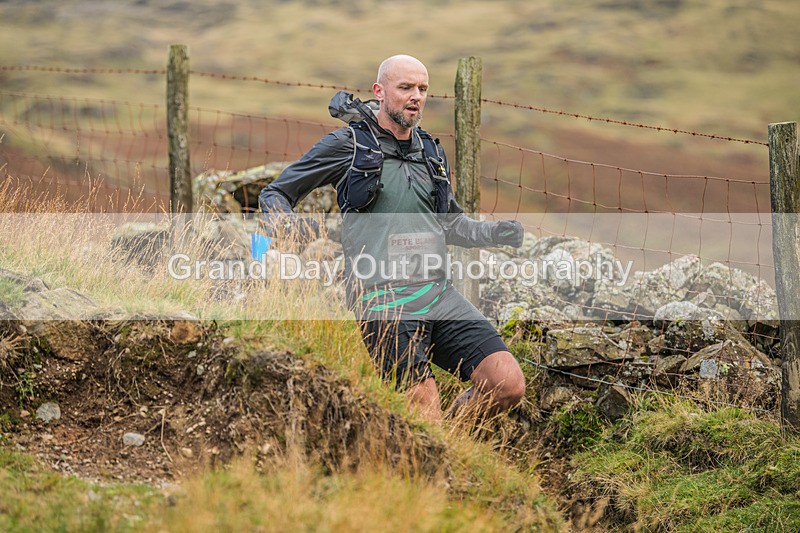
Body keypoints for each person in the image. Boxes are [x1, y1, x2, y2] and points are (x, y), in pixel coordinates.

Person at [259, 55, 526, 422]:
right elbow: (276, 193)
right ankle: (434, 454)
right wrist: (288, 227)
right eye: (406, 87)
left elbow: (451, 224)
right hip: (381, 299)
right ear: (380, 91)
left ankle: (449, 445)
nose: (416, 96)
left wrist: (493, 232)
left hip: (437, 294)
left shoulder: (430, 151)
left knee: (507, 383)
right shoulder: (349, 145)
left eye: (423, 89)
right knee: (423, 407)